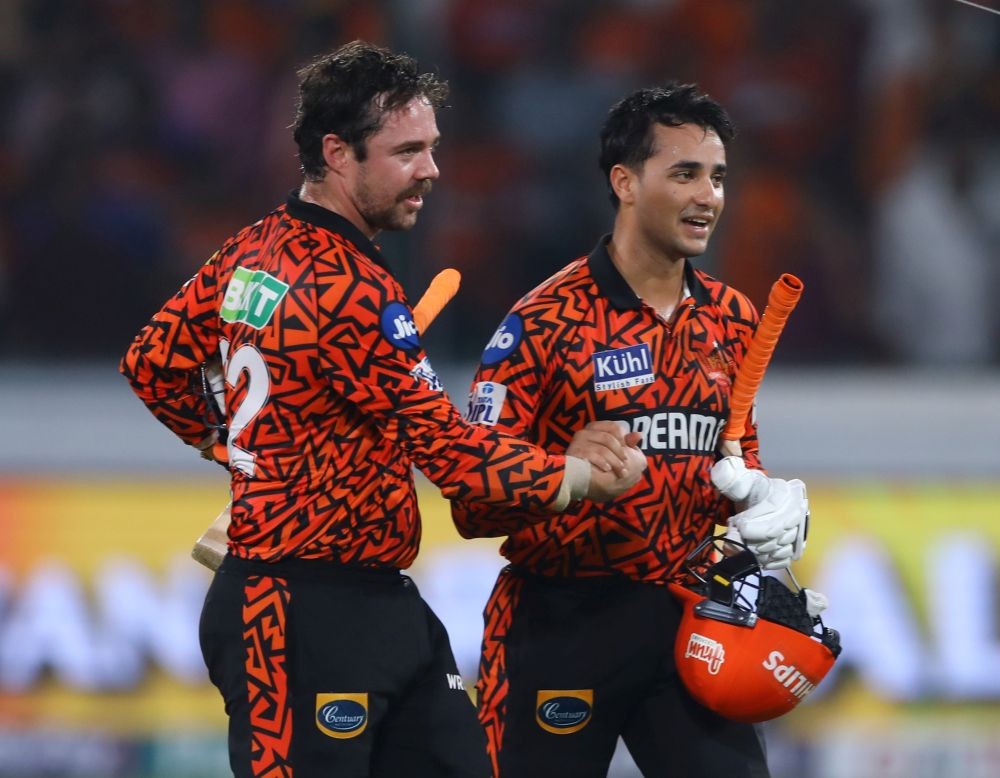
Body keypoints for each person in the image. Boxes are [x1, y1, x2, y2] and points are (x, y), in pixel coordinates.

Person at [120, 41, 645, 778]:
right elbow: (457, 460)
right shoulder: (351, 290)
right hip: (297, 613)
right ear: (338, 153)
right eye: (407, 151)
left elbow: (154, 366)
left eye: (431, 148)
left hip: (380, 604)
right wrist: (579, 475)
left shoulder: (251, 251)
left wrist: (247, 451)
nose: (431, 170)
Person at [452, 83, 810, 778]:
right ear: (624, 182)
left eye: (718, 176)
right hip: (562, 624)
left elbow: (737, 462)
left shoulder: (732, 319)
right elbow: (471, 500)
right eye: (684, 173)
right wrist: (564, 472)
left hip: (693, 622)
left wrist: (768, 503)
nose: (709, 195)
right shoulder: (543, 320)